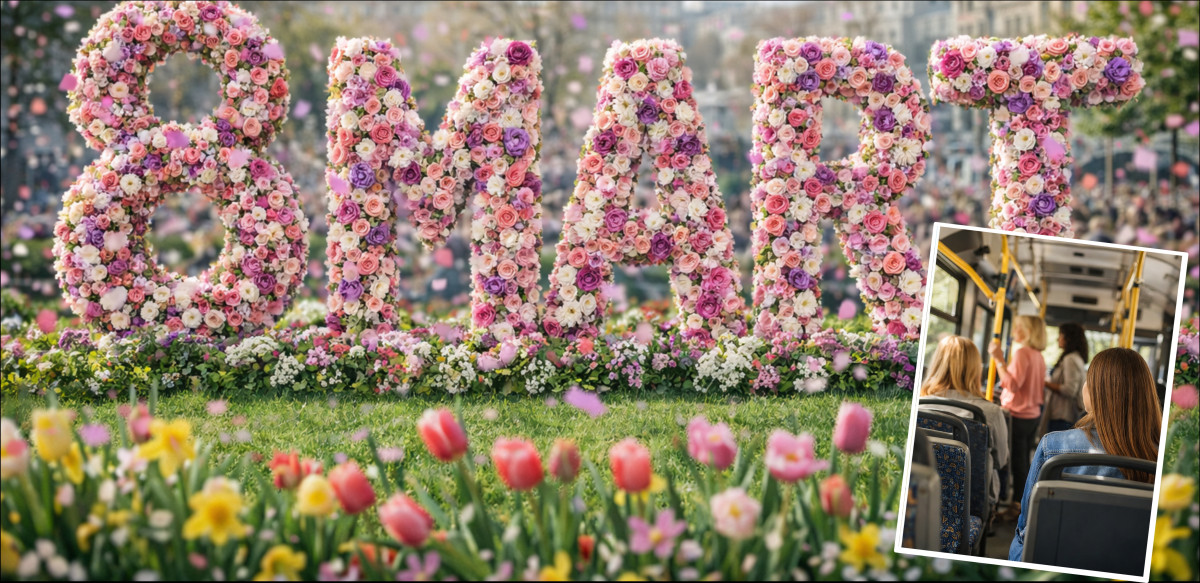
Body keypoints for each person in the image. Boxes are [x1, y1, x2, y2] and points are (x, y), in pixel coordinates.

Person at [1008, 348, 1161, 561]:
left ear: (1098, 392)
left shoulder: (1053, 446)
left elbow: (1027, 524)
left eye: (1088, 379)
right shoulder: (1158, 456)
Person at [919, 335, 1010, 501]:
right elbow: (1001, 460)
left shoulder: (919, 407)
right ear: (975, 369)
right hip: (971, 502)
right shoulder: (990, 412)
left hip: (923, 494)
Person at [988, 314, 1046, 519]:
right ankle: (1018, 503)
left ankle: (1015, 506)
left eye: (1018, 327)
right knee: (1023, 462)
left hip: (1018, 415)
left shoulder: (1023, 353)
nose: (1014, 332)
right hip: (1032, 414)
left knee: (1014, 463)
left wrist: (998, 359)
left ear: (1027, 332)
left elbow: (1011, 385)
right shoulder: (1038, 356)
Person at [1039, 323, 1088, 437]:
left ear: (1068, 338)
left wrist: (1045, 383)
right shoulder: (1075, 358)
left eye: (1060, 335)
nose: (1058, 339)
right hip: (1062, 415)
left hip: (1062, 416)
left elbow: (1069, 390)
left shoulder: (1070, 359)